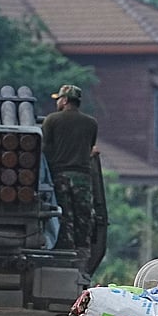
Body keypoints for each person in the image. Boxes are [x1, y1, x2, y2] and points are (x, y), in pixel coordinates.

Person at [42, 84, 99, 251]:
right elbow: (90, 148)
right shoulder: (91, 123)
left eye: (59, 99)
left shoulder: (52, 120)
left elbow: (45, 149)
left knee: (64, 214)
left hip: (60, 175)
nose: (57, 102)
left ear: (65, 100)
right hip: (83, 176)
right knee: (84, 214)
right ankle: (82, 249)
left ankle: (66, 249)